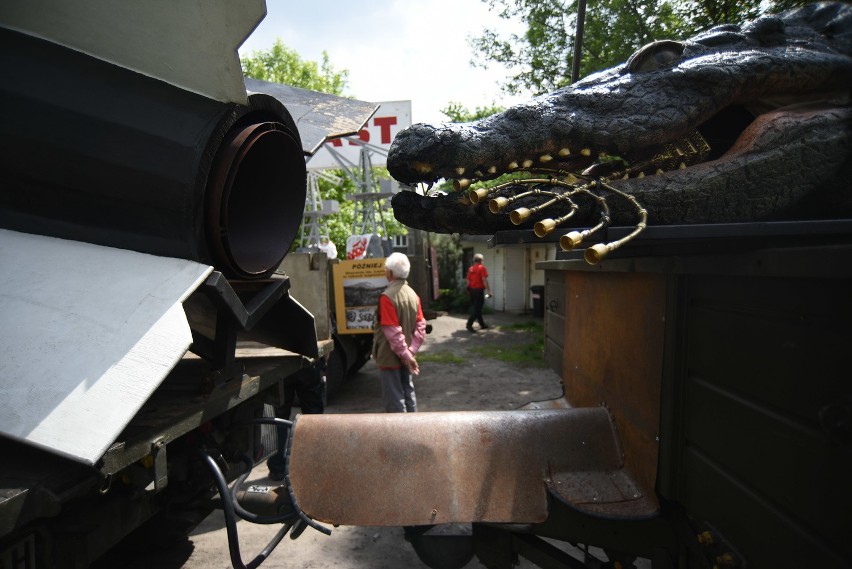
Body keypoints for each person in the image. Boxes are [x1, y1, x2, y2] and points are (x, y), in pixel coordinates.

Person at [372, 252, 427, 413]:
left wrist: (406, 355)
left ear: (390, 273)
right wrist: (410, 352)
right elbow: (421, 326)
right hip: (406, 355)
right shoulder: (413, 295)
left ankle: (399, 436)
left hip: (391, 358)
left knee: (394, 399)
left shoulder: (387, 297)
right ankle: (412, 429)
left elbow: (392, 332)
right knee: (408, 392)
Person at [267, 356, 326, 480]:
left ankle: (278, 467)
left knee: (280, 415)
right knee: (313, 417)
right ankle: (312, 466)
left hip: (281, 365)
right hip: (308, 363)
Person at [466, 253, 491, 332]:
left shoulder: (471, 269)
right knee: (477, 308)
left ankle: (482, 324)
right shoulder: (481, 268)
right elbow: (484, 280)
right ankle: (469, 324)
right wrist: (488, 291)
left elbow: (468, 280)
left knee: (477, 308)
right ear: (481, 260)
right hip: (479, 290)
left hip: (472, 290)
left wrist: (469, 290)